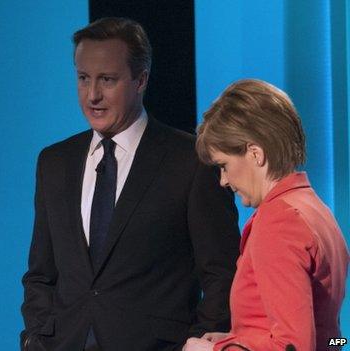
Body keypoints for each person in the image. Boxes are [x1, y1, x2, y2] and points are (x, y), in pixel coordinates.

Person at [20, 17, 240, 351]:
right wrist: (35, 338)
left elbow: (221, 273)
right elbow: (40, 274)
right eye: (83, 78)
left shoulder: (191, 161)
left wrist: (197, 343)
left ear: (141, 80)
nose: (92, 95)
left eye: (107, 80)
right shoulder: (54, 162)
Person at [184, 79, 349, 351]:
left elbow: (294, 345)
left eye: (224, 165)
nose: (223, 180)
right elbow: (335, 339)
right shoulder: (316, 210)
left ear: (255, 153)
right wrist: (233, 341)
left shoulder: (279, 223)